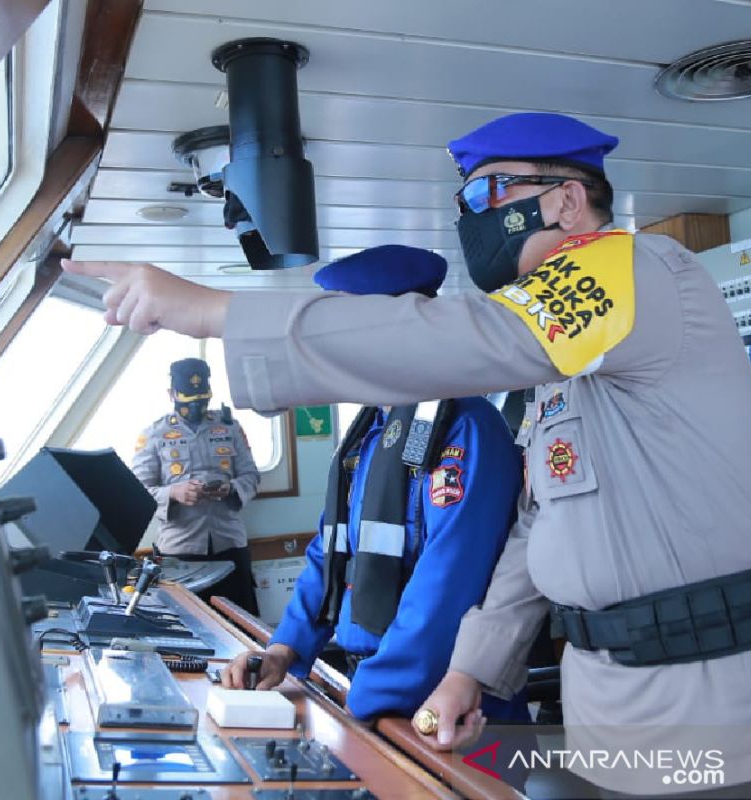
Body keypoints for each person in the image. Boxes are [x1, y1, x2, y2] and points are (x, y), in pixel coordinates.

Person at [67, 111, 751, 799]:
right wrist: (473, 667)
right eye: (463, 201)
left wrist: (212, 311)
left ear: (566, 201)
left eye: (486, 197)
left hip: (724, 723)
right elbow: (542, 531)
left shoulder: (634, 266)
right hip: (615, 709)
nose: (471, 219)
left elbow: (474, 337)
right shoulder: (570, 370)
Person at [220, 245, 531, 729]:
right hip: (374, 684)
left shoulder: (465, 430)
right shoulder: (371, 432)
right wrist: (283, 649)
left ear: (391, 335)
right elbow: (332, 550)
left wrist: (365, 703)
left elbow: (446, 589)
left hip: (446, 707)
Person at [131, 357, 261, 614]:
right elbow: (137, 493)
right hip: (179, 550)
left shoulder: (229, 428)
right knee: (188, 628)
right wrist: (174, 493)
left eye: (202, 400)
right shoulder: (154, 434)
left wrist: (231, 488)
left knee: (241, 626)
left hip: (230, 545)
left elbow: (251, 476)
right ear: (172, 394)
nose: (196, 407)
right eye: (189, 401)